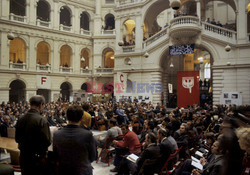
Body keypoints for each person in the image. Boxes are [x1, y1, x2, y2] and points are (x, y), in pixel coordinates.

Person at [53, 105, 96, 175]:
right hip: (82, 170)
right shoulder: (87, 134)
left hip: (64, 170)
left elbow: (56, 156)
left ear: (66, 117)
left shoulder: (57, 134)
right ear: (81, 118)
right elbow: (92, 157)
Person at [15, 95, 51, 175]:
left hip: (23, 155)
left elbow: (17, 139)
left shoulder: (21, 118)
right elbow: (47, 141)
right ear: (41, 104)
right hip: (37, 158)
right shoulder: (42, 120)